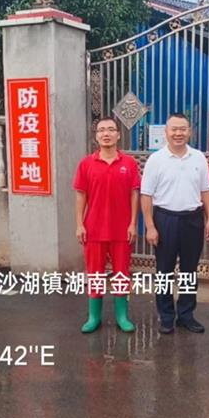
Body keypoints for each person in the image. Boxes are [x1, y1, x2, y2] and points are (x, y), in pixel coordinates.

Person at [141, 113, 209, 334]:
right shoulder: (156, 160)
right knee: (164, 270)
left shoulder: (198, 157)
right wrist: (150, 226)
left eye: (183, 129)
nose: (178, 133)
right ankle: (166, 316)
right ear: (166, 132)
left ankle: (186, 315)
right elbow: (146, 195)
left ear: (189, 131)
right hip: (165, 219)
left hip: (193, 219)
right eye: (174, 129)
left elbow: (206, 190)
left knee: (189, 270)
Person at [73, 116, 140, 333]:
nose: (106, 134)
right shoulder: (86, 164)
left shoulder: (129, 164)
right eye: (101, 130)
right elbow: (81, 195)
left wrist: (132, 223)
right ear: (96, 136)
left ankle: (122, 316)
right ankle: (94, 316)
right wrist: (79, 224)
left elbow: (134, 194)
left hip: (121, 230)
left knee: (122, 273)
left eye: (111, 130)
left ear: (118, 135)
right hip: (94, 229)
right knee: (95, 274)